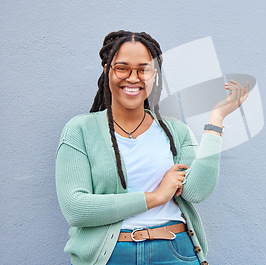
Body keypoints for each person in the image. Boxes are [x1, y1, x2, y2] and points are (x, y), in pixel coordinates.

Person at [55, 30, 249, 265]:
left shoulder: (174, 131)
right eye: (122, 68)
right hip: (111, 256)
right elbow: (76, 208)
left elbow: (196, 191)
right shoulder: (80, 130)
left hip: (176, 251)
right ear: (107, 71)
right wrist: (156, 197)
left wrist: (216, 120)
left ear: (154, 75)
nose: (133, 78)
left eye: (143, 69)